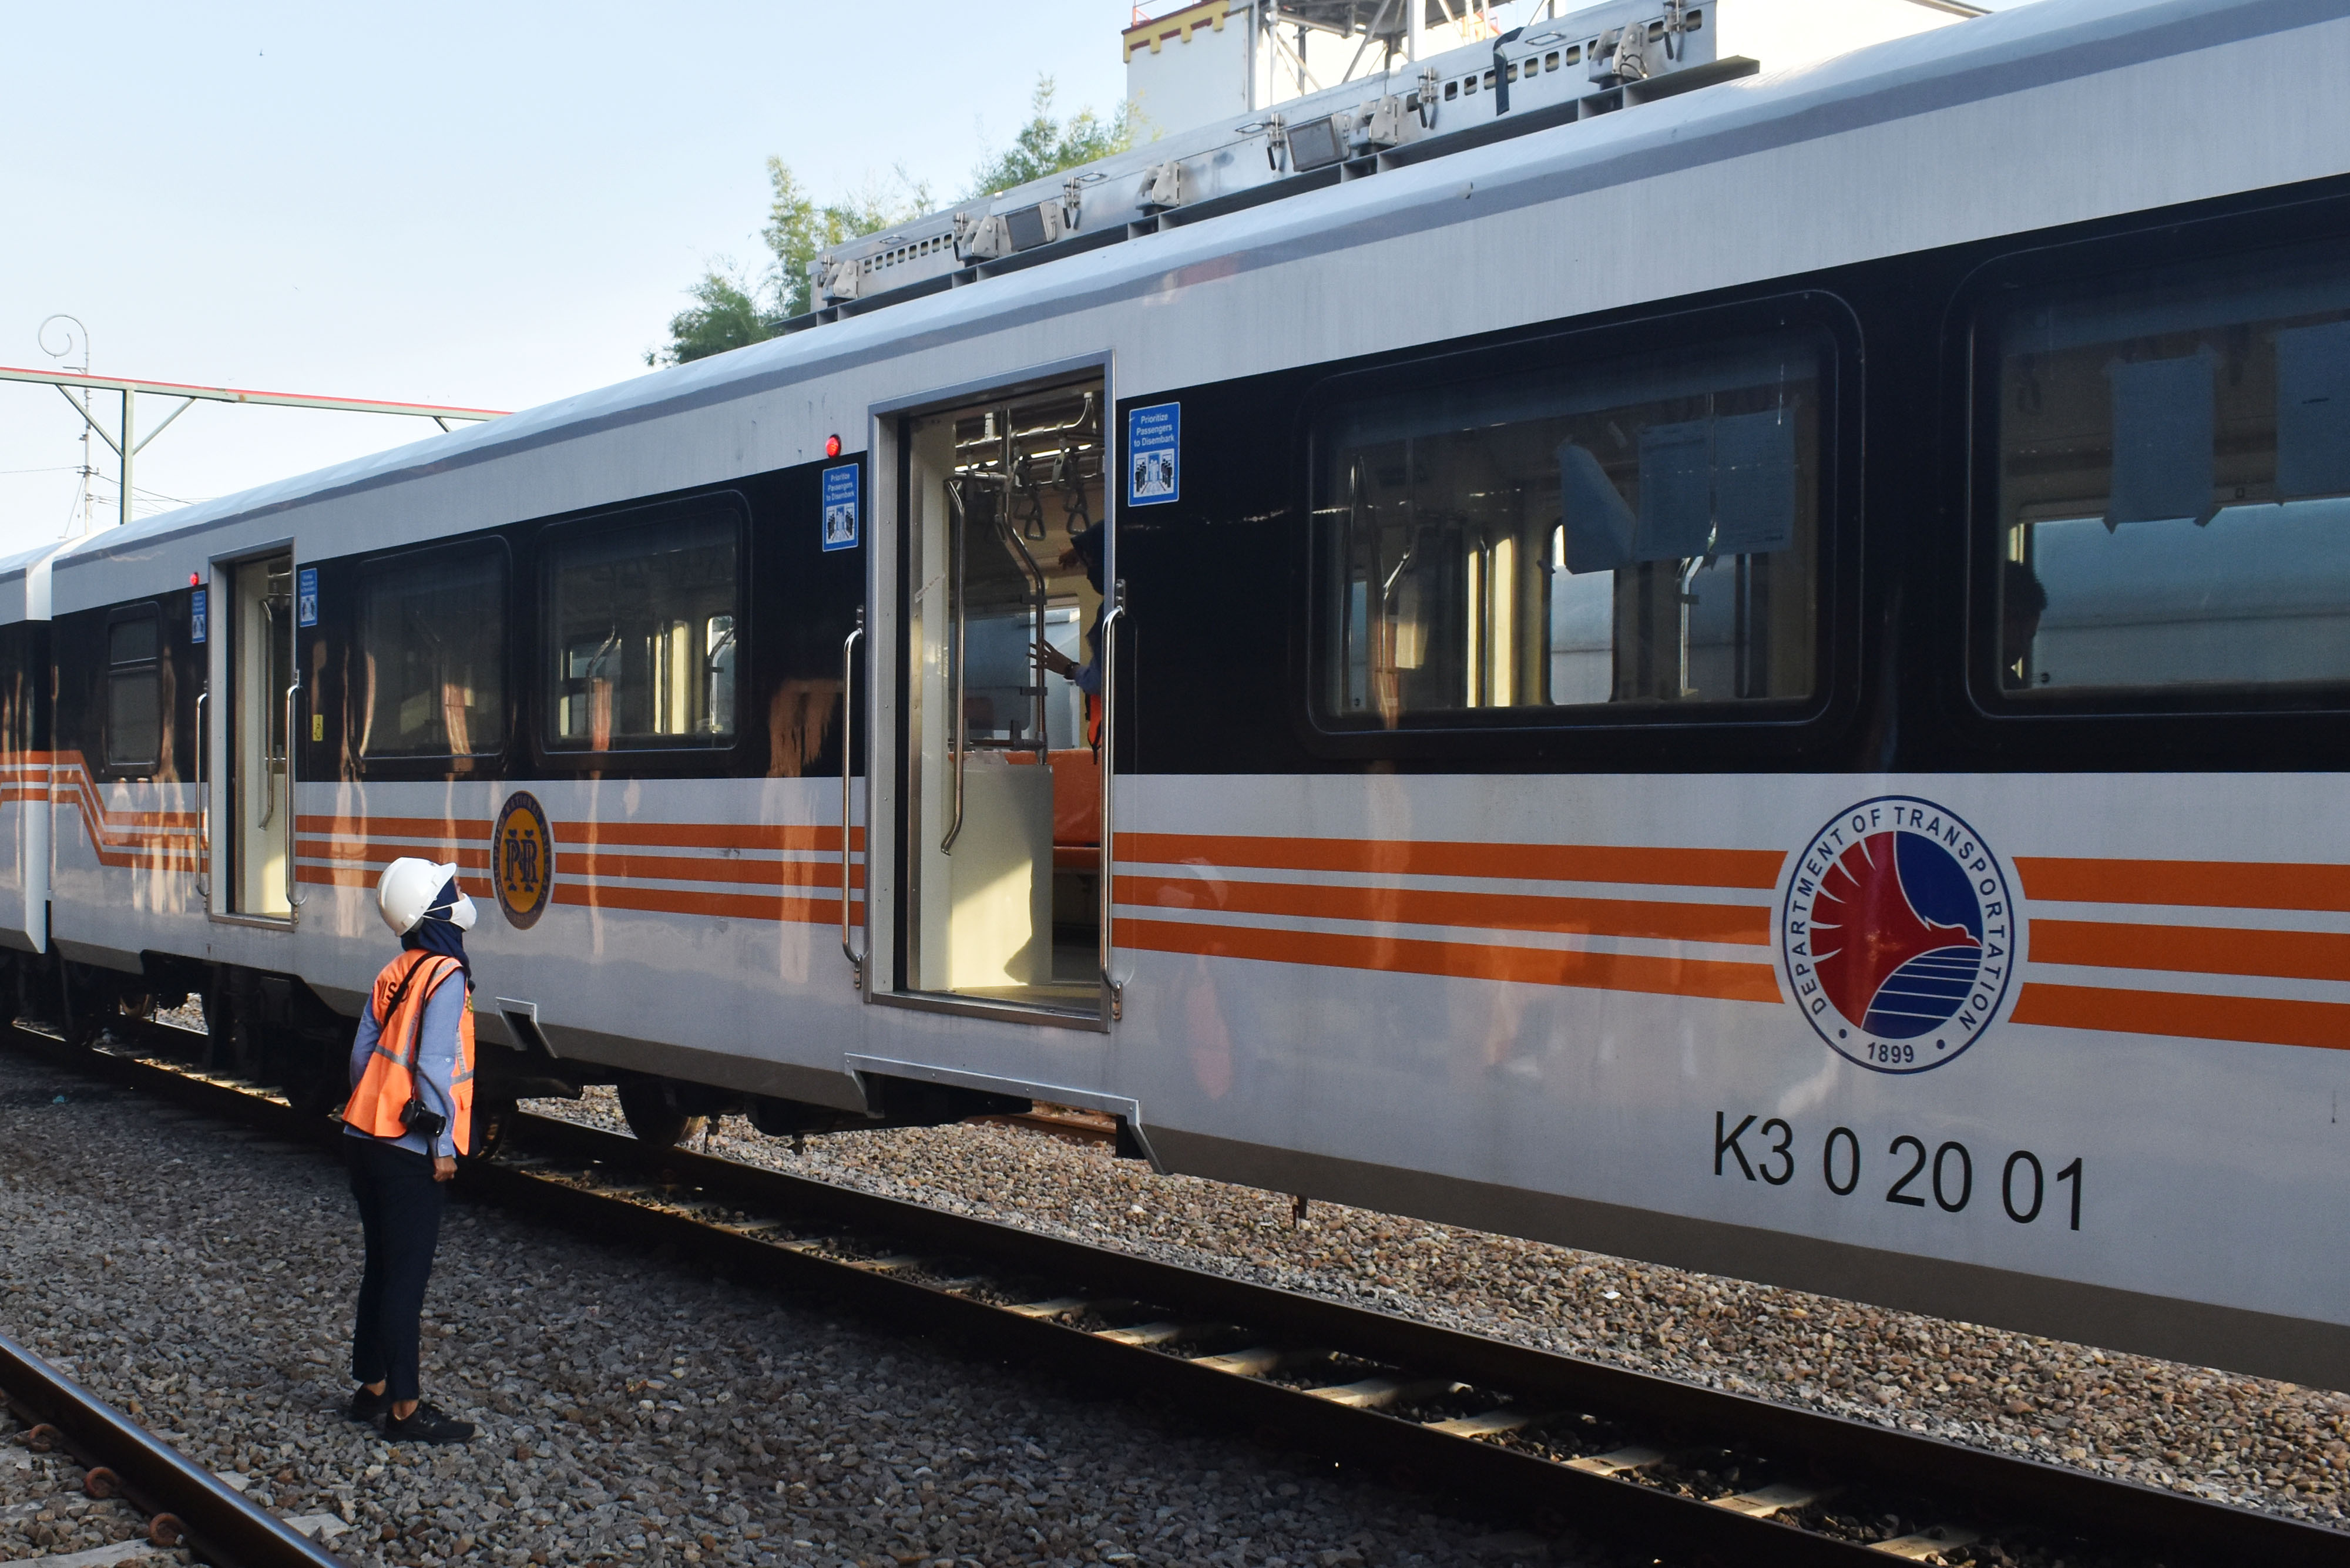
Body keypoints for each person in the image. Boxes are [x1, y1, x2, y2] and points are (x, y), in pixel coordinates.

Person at [342, 857, 479, 1445]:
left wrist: (373, 1110)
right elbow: (432, 1065)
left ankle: (370, 1386)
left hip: (363, 1138)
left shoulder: (396, 969)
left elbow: (359, 1058)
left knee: (380, 1265)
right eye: (449, 891)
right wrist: (442, 1145)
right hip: (409, 1148)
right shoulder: (446, 973)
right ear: (434, 912)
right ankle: (404, 1407)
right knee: (407, 1277)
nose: (459, 896)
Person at [1033, 521, 1107, 750]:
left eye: (1091, 566)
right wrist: (1081, 550)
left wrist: (1069, 668)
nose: (1088, 577)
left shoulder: (1115, 610)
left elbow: (1099, 681)